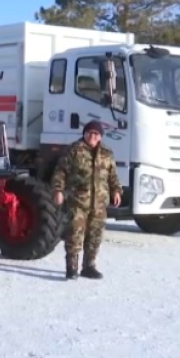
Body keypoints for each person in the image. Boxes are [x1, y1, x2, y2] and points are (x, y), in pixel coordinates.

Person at [50, 120, 122, 280]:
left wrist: (116, 190)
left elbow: (113, 176)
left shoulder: (107, 153)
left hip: (99, 203)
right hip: (78, 202)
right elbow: (61, 171)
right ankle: (72, 268)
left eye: (96, 134)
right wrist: (58, 190)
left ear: (100, 137)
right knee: (74, 234)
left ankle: (89, 266)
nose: (92, 136)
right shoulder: (74, 150)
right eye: (89, 133)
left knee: (95, 236)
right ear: (84, 134)